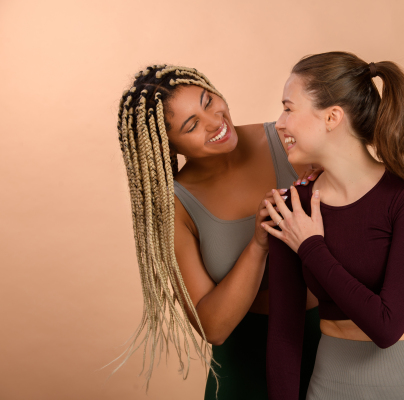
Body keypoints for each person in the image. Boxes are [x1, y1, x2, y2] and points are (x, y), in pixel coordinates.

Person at [114, 64, 322, 399]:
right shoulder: (176, 207)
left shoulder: (287, 139)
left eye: (208, 101)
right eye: (192, 125)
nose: (215, 122)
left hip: (331, 339)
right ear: (170, 146)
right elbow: (213, 327)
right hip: (245, 363)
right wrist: (258, 244)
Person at [262, 52, 404, 399]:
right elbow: (284, 333)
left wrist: (311, 247)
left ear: (332, 117)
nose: (279, 123)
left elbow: (387, 328)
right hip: (332, 383)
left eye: (289, 108)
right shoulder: (293, 209)